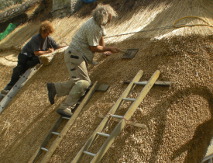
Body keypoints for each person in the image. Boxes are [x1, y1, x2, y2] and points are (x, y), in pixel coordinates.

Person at [47, 4, 120, 117]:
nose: (110, 20)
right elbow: (93, 47)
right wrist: (109, 48)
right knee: (84, 83)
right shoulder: (93, 27)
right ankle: (65, 107)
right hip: (75, 55)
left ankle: (55, 88)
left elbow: (100, 37)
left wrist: (104, 50)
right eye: (109, 17)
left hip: (76, 55)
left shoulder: (97, 24)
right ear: (104, 17)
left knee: (78, 80)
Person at [1, 21, 63, 95]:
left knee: (35, 61)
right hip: (25, 55)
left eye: (49, 33)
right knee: (19, 69)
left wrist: (64, 46)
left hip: (33, 57)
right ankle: (9, 87)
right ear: (43, 31)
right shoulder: (36, 38)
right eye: (47, 33)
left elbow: (56, 46)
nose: (48, 34)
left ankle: (20, 74)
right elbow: (36, 52)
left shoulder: (49, 39)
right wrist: (48, 52)